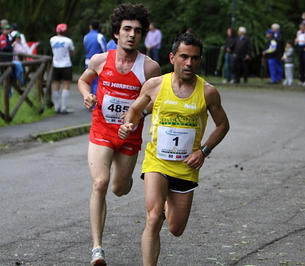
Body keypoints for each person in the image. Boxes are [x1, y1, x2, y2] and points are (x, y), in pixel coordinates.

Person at [118, 33, 230, 266]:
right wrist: (129, 123)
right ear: (172, 58)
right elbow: (135, 109)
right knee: (153, 217)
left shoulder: (208, 91)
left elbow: (223, 125)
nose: (189, 63)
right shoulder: (155, 85)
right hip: (157, 161)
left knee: (176, 229)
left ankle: (168, 200)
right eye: (184, 57)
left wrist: (204, 151)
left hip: (186, 166)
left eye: (195, 58)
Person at [77, 3, 161, 266]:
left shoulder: (150, 68)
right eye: (126, 29)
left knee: (118, 188)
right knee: (100, 184)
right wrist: (87, 95)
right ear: (116, 33)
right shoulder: (100, 60)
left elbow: (155, 101)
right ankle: (97, 249)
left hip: (129, 137)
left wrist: (139, 115)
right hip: (102, 130)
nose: (132, 34)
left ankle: (125, 182)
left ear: (142, 35)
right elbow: (82, 80)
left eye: (137, 30)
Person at [50, 23, 74, 114]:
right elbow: (72, 52)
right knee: (66, 85)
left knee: (56, 85)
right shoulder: (68, 41)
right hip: (66, 65)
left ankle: (56, 107)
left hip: (56, 64)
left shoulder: (52, 39)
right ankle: (63, 107)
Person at [83, 19, 107, 95]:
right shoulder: (100, 36)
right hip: (98, 62)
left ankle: (89, 99)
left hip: (88, 61)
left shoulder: (86, 37)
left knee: (88, 81)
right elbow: (105, 50)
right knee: (97, 82)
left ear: (90, 27)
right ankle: (95, 101)